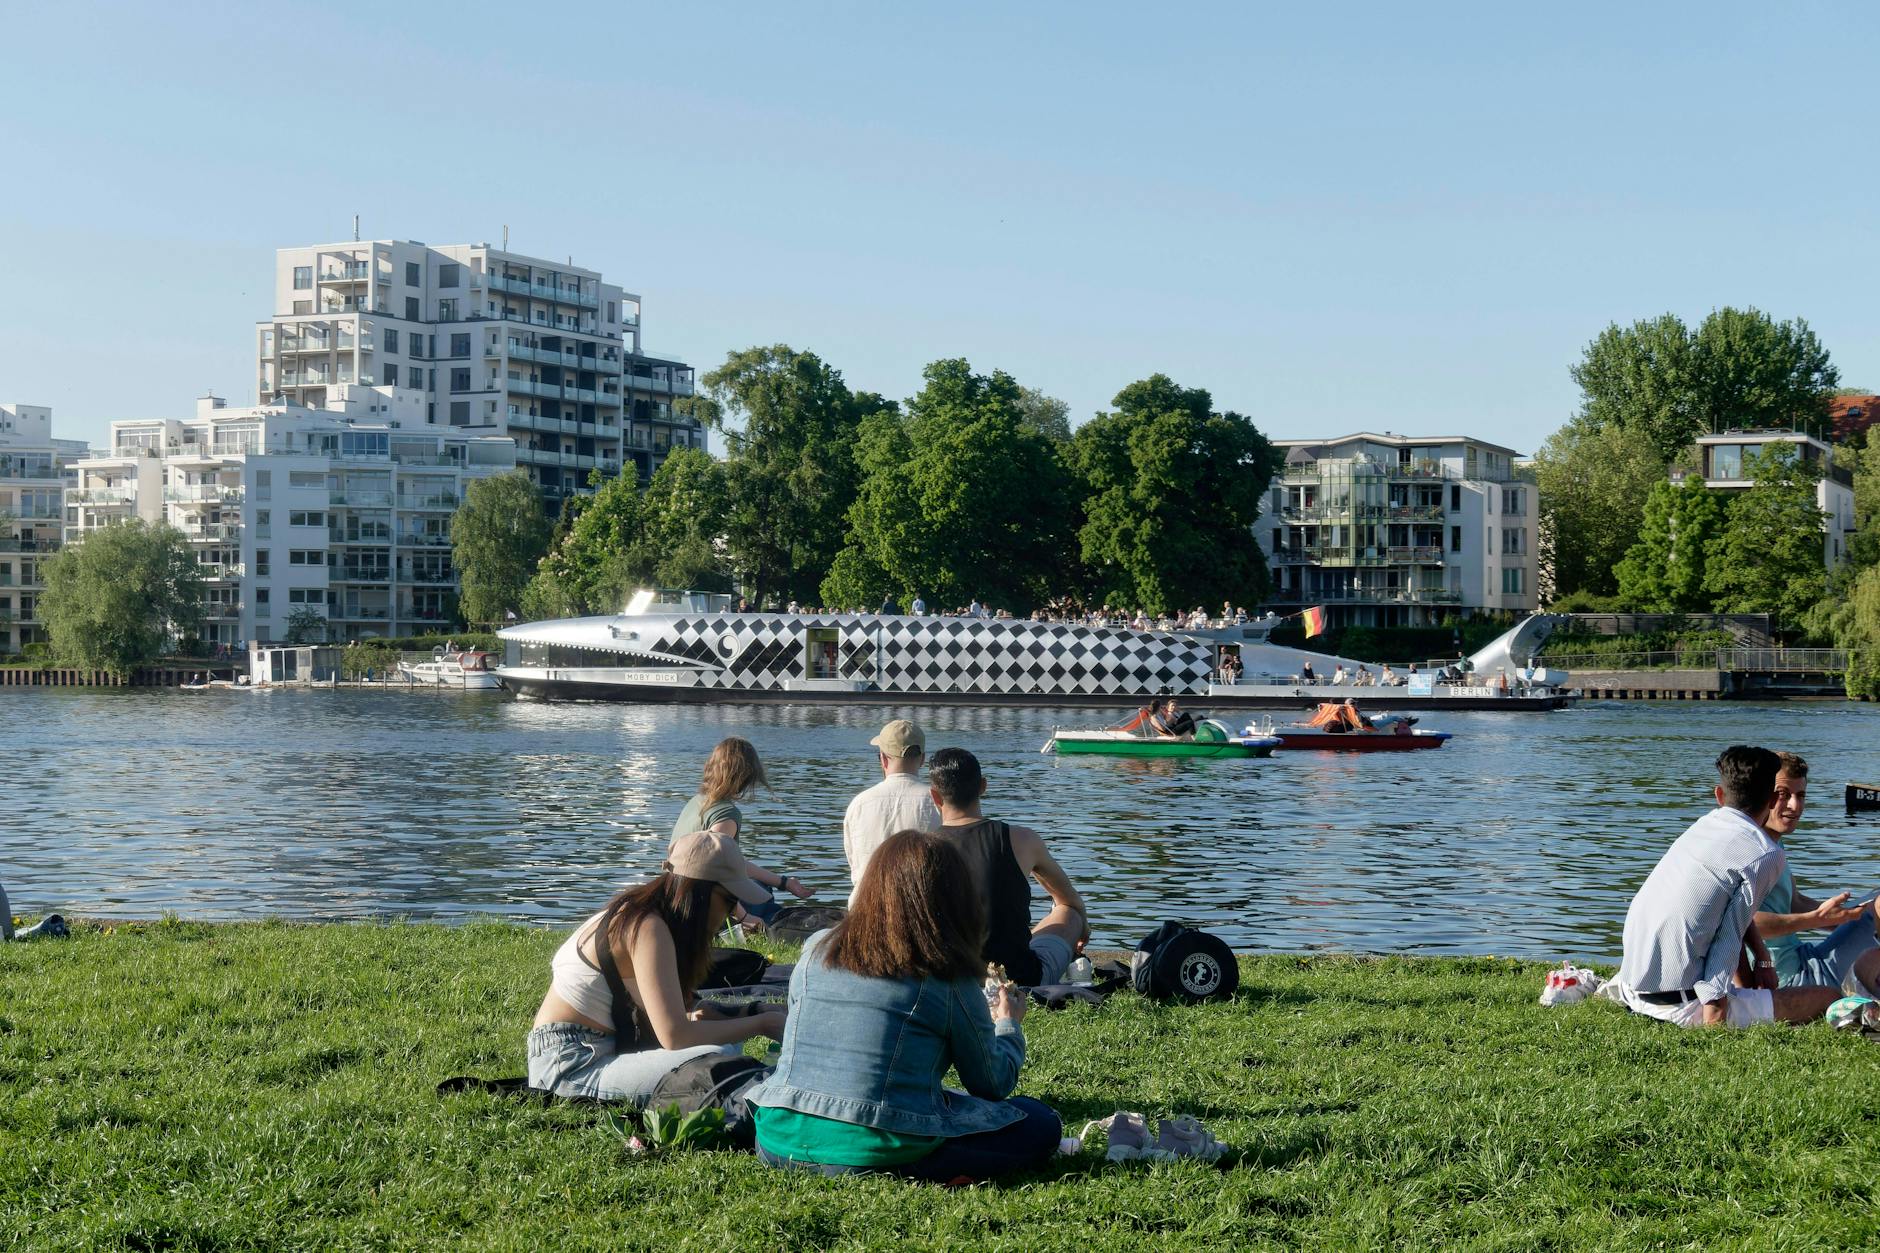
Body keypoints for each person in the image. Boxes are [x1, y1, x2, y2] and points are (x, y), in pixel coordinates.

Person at [746, 830, 1061, 1181]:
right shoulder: (945, 973)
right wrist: (1008, 1023)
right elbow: (991, 1084)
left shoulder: (817, 948)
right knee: (1039, 1121)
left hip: (776, 1137)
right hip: (870, 1149)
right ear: (955, 898)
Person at [528, 830, 786, 1102]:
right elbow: (675, 1035)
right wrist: (763, 1024)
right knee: (720, 1058)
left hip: (594, 1051)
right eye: (730, 901)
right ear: (700, 891)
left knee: (725, 1048)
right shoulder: (647, 928)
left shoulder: (647, 915)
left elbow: (685, 1011)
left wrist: (748, 1012)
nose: (732, 913)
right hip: (571, 1066)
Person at [1615, 746, 1841, 1028]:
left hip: (1632, 989)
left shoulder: (1704, 826)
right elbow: (1728, 937)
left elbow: (1730, 911)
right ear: (1772, 800)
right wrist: (1715, 1009)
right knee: (1828, 997)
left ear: (1720, 796)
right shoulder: (1766, 854)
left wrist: (1761, 956)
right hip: (1680, 1006)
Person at [928, 748, 1089, 986]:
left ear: (935, 796)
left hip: (948, 980)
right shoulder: (1022, 839)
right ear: (983, 786)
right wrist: (1083, 931)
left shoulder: (919, 849)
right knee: (1070, 915)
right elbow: (1070, 902)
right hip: (1018, 977)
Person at [1753, 752, 1880, 999]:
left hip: (1805, 957)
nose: (1794, 806)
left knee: (1873, 902)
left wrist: (1844, 916)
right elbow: (1742, 924)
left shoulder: (1773, 845)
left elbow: (1794, 903)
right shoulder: (1754, 853)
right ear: (1760, 794)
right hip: (1790, 980)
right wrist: (1817, 919)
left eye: (1800, 796)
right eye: (1783, 795)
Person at [673, 737, 813, 926]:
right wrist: (745, 918)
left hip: (676, 895)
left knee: (762, 887)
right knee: (766, 903)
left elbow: (732, 863)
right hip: (700, 905)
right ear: (745, 777)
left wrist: (783, 882)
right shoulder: (727, 814)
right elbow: (711, 871)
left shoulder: (696, 802)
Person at [842, 719, 942, 899]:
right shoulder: (939, 802)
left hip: (865, 909)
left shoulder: (859, 804)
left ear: (882, 758)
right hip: (921, 911)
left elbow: (854, 864)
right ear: (922, 759)